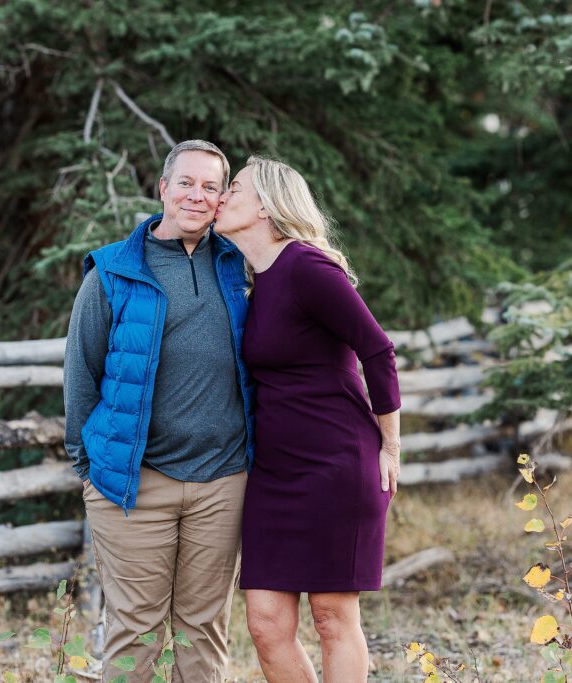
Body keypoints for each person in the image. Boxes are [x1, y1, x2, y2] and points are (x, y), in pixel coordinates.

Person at [63, 140, 255, 682]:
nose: (198, 195)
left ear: (222, 199)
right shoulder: (112, 274)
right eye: (187, 183)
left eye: (211, 186)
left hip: (222, 482)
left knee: (204, 630)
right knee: (135, 630)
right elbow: (81, 376)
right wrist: (91, 469)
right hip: (132, 484)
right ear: (163, 189)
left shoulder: (241, 271)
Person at [213, 155, 402, 682]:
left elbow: (379, 351)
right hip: (275, 475)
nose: (222, 196)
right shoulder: (255, 279)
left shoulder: (307, 268)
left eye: (235, 188)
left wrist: (390, 449)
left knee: (332, 617)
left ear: (268, 207)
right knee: (266, 623)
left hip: (337, 467)